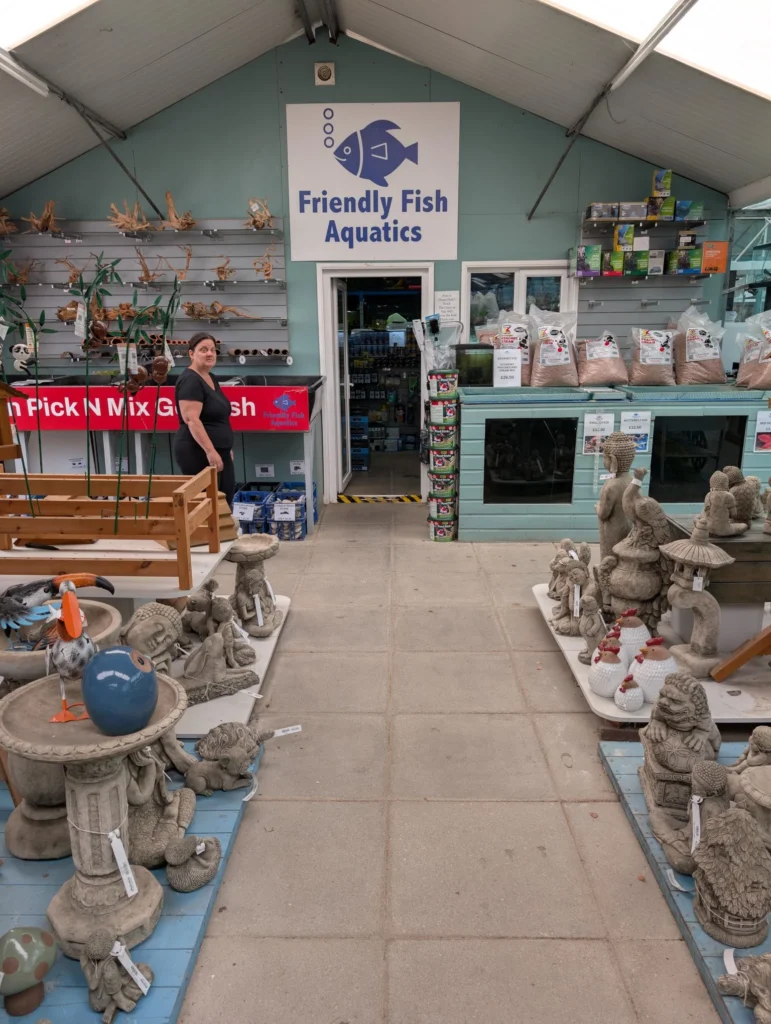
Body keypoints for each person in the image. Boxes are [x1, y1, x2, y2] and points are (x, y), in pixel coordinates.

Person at [173, 333, 236, 507]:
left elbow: (217, 416)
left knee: (224, 500)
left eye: (212, 350)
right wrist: (210, 451)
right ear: (191, 354)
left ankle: (222, 535)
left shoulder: (210, 377)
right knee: (207, 505)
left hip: (218, 451)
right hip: (197, 452)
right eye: (203, 350)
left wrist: (224, 448)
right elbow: (191, 420)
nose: (209, 353)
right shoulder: (190, 381)